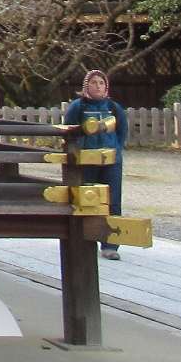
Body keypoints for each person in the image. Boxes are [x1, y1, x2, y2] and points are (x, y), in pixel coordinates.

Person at [63, 68, 127, 260]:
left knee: (112, 201)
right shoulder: (78, 107)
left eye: (101, 83)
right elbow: (69, 131)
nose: (98, 86)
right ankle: (86, 239)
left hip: (111, 161)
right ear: (86, 86)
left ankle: (110, 244)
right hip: (86, 161)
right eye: (93, 82)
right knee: (88, 200)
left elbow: (122, 132)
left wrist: (115, 150)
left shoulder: (114, 107)